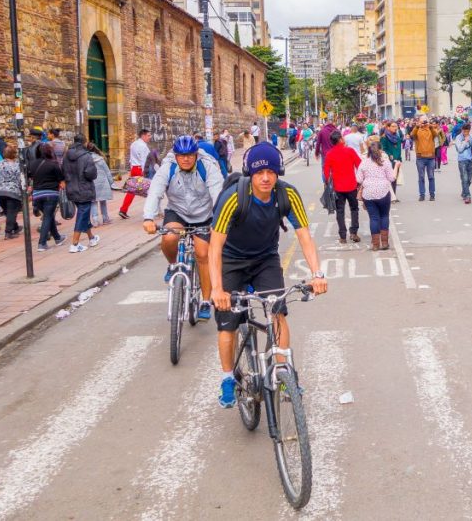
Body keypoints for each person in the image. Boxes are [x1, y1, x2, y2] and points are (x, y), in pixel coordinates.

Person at [208, 144, 326, 408]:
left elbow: (304, 235)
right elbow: (215, 246)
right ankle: (228, 377)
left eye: (271, 172)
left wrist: (317, 274)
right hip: (231, 260)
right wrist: (217, 289)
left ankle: (281, 371)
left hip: (265, 259)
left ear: (278, 173)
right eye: (260, 172)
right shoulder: (233, 197)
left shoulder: (287, 194)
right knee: (227, 321)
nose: (265, 177)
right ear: (250, 173)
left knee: (278, 311)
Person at [143, 135, 224, 317]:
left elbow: (218, 194)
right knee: (169, 237)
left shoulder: (208, 167)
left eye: (189, 155)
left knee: (203, 254)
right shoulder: (168, 167)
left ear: (196, 155)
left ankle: (205, 300)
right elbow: (155, 191)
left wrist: (219, 222)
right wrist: (148, 217)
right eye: (181, 155)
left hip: (204, 214)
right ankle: (173, 266)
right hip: (177, 212)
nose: (185, 159)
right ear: (176, 155)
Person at [62, 135, 100, 254]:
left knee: (83, 213)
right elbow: (91, 174)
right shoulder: (86, 156)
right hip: (84, 189)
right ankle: (75, 243)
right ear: (84, 142)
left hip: (71, 188)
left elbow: (63, 170)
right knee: (82, 213)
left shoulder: (66, 155)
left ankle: (91, 238)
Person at [323, 130, 362, 244]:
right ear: (340, 140)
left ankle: (343, 236)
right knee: (354, 209)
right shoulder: (350, 151)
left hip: (337, 187)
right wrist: (359, 181)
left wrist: (327, 182)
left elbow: (326, 171)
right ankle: (353, 232)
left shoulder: (330, 154)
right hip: (351, 185)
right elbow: (359, 165)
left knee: (340, 211)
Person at [356, 141, 397, 250]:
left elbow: (358, 179)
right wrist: (396, 166)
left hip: (368, 193)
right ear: (381, 150)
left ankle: (375, 244)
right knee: (384, 216)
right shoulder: (385, 162)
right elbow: (392, 178)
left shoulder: (364, 163)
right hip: (383, 191)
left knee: (373, 218)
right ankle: (384, 243)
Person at [28, 144, 66, 251]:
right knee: (47, 217)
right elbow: (62, 182)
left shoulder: (32, 164)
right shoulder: (53, 164)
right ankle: (42, 243)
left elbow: (29, 178)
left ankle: (58, 238)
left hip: (37, 195)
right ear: (50, 152)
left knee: (49, 216)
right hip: (50, 194)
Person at [119, 129, 152, 219]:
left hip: (134, 168)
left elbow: (131, 158)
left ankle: (123, 209)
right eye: (148, 135)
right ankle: (150, 211)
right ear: (143, 135)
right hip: (140, 169)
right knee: (149, 189)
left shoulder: (134, 144)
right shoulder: (143, 146)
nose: (150, 137)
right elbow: (144, 160)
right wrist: (145, 172)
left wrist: (131, 169)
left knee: (131, 190)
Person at [0, 146, 23, 239]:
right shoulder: (17, 165)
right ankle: (8, 232)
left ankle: (15, 227)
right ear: (14, 154)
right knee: (12, 212)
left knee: (7, 211)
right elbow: (20, 179)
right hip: (12, 191)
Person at [411, 117, 441, 201]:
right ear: (419, 122)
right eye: (422, 121)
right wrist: (417, 126)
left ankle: (432, 194)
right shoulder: (417, 130)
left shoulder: (430, 129)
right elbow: (412, 135)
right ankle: (422, 194)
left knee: (431, 177)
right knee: (421, 177)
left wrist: (430, 126)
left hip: (430, 157)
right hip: (420, 157)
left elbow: (436, 134)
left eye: (425, 121)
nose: (423, 123)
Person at [87, 143, 114, 226]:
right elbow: (107, 172)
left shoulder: (86, 159)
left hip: (92, 182)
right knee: (103, 201)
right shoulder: (100, 159)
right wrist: (111, 182)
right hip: (102, 182)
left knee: (93, 201)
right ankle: (105, 218)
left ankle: (95, 220)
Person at [454, 122, 472, 204]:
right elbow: (459, 149)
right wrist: (465, 141)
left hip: (470, 159)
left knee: (469, 180)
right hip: (462, 160)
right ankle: (467, 196)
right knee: (465, 178)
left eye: (467, 131)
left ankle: (464, 191)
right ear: (462, 130)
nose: (466, 133)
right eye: (464, 131)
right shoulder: (458, 138)